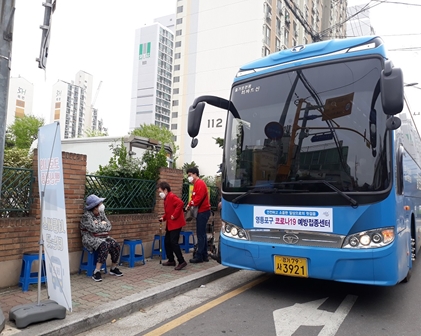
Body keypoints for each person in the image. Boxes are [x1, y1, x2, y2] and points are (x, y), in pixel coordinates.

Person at [80, 194, 123, 282]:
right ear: (94, 207)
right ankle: (96, 271)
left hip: (102, 236)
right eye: (100, 204)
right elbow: (93, 229)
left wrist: (97, 223)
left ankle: (113, 268)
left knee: (115, 245)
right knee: (105, 245)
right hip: (89, 238)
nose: (102, 205)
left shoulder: (101, 213)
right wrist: (101, 224)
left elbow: (109, 226)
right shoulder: (87, 216)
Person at [158, 182, 187, 270]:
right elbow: (168, 212)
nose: (160, 194)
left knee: (174, 242)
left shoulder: (171, 196)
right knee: (167, 242)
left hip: (176, 223)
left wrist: (174, 215)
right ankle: (171, 260)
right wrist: (163, 218)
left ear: (165, 190)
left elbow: (180, 203)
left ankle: (181, 261)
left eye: (160, 191)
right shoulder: (166, 199)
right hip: (170, 224)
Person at [186, 167, 211, 263]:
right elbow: (194, 197)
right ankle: (204, 255)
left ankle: (199, 256)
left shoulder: (200, 183)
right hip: (203, 211)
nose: (189, 177)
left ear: (195, 174)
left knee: (200, 234)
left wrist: (190, 204)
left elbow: (197, 199)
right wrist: (190, 204)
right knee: (202, 234)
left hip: (203, 211)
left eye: (189, 175)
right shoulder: (197, 184)